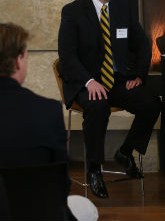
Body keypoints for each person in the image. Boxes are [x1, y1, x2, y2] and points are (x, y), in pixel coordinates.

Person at [58, 0, 161, 199]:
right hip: (86, 82)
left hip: (115, 79)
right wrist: (89, 81)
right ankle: (94, 170)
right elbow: (67, 56)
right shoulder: (73, 12)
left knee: (152, 103)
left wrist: (138, 74)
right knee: (97, 105)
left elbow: (142, 44)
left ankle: (125, 152)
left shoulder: (121, 7)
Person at [0, 23, 97, 220]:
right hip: (36, 212)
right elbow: (61, 184)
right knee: (87, 208)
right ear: (19, 61)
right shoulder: (48, 111)